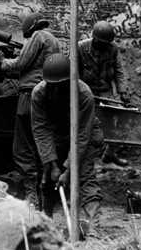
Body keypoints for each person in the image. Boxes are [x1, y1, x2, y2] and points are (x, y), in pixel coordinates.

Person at [31, 53, 104, 236]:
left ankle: (93, 227)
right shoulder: (39, 93)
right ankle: (45, 223)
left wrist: (68, 170)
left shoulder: (84, 94)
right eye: (52, 86)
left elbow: (80, 135)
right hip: (56, 135)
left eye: (61, 85)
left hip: (83, 134)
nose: (56, 89)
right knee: (48, 178)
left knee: (84, 176)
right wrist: (53, 164)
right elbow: (41, 129)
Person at [0, 12, 61, 211]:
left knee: (23, 147)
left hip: (29, 97)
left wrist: (2, 61)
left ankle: (32, 199)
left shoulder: (38, 37)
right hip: (50, 96)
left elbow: (21, 64)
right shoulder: (54, 40)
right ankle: (46, 200)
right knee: (42, 143)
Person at [78, 20, 130, 166]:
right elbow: (72, 72)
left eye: (107, 43)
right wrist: (79, 91)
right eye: (102, 42)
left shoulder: (113, 48)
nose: (105, 46)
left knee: (118, 118)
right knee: (84, 122)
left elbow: (119, 71)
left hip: (105, 89)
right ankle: (82, 158)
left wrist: (122, 92)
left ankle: (110, 153)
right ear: (94, 39)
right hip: (86, 90)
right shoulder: (81, 48)